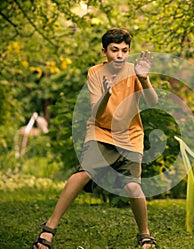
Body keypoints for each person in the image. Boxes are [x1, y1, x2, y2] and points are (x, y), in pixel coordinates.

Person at [33, 28, 158, 249]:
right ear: (104, 52)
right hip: (101, 130)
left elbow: (152, 102)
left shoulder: (134, 71)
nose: (120, 55)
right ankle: (49, 228)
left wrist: (144, 80)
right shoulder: (95, 73)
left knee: (132, 187)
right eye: (114, 50)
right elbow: (97, 113)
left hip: (130, 134)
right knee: (84, 173)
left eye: (124, 50)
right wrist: (106, 95)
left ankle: (145, 235)